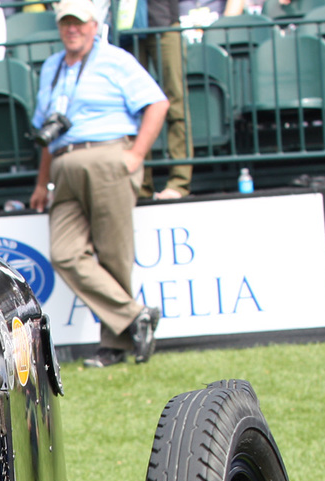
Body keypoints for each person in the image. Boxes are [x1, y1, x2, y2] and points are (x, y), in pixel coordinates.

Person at [26, 0, 166, 369]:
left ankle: (113, 347)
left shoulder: (116, 59)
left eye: (78, 22)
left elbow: (157, 103)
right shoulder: (52, 67)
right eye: (65, 23)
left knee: (113, 253)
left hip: (108, 154)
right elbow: (46, 131)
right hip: (63, 163)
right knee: (65, 253)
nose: (72, 29)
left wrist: (135, 155)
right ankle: (136, 316)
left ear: (93, 24)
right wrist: (42, 182)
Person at [139, 0, 191, 200]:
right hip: (128, 24)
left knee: (176, 104)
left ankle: (179, 182)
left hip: (164, 21)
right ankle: (141, 185)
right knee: (135, 108)